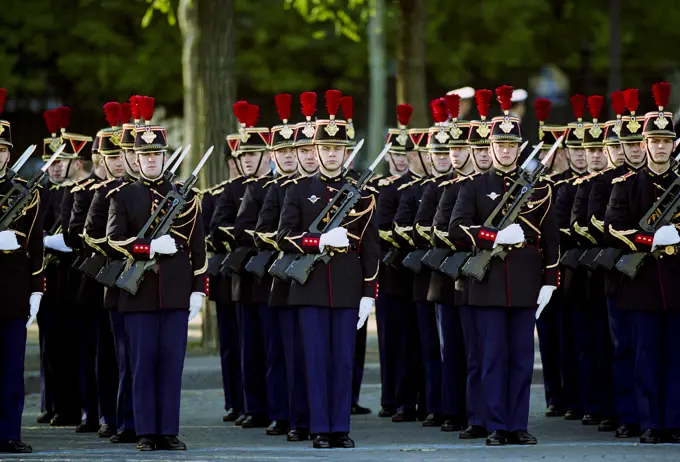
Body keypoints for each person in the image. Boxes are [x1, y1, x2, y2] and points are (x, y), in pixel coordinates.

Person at [449, 85, 560, 446]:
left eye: (513, 146)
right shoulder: (475, 186)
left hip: (526, 281)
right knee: (493, 359)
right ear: (491, 147)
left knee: (522, 361)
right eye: (502, 145)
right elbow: (457, 230)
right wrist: (492, 237)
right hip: (488, 282)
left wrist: (549, 281)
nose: (507, 151)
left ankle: (518, 424)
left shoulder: (538, 187)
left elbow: (550, 237)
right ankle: (497, 423)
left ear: (519, 148)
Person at [277, 89, 380, 449]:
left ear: (346, 152)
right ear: (316, 151)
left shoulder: (363, 194)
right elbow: (284, 237)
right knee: (317, 362)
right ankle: (321, 427)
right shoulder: (299, 190)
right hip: (311, 285)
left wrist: (369, 293)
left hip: (349, 285)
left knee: (342, 362)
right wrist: (317, 241)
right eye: (326, 148)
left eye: (338, 149)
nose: (332, 154)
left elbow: (371, 248)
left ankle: (340, 427)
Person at [107, 96, 208, 451]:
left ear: (165, 157)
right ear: (135, 158)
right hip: (138, 294)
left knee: (170, 366)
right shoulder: (124, 197)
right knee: (143, 365)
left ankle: (168, 429)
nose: (151, 160)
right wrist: (147, 248)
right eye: (145, 155)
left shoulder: (185, 196)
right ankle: (146, 431)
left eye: (157, 155)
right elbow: (114, 241)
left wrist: (199, 289)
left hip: (177, 293)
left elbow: (199, 249)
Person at [604, 82, 680, 444]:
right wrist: (650, 239)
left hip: (678, 282)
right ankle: (650, 422)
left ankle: (675, 421)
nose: (660, 146)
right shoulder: (626, 184)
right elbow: (614, 228)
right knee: (645, 358)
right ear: (644, 144)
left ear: (673, 145)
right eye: (655, 141)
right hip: (643, 284)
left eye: (666, 141)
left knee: (676, 358)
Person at [254, 92, 320, 441]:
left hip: (320, 276)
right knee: (286, 353)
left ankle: (319, 415)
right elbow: (263, 231)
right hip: (285, 277)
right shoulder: (275, 189)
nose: (304, 156)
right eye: (296, 151)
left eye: (310, 150)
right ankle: (289, 415)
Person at [211, 101, 273, 430]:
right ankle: (252, 406)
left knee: (272, 346)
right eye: (243, 156)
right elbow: (219, 227)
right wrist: (250, 236)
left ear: (267, 156)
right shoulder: (234, 189)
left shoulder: (277, 188)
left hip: (271, 277)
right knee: (247, 347)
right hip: (242, 278)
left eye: (253, 155)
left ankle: (275, 406)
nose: (247, 160)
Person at [588, 89, 644, 438]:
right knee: (623, 347)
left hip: (654, 276)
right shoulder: (607, 183)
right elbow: (595, 224)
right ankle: (626, 413)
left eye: (641, 144)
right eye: (630, 144)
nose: (636, 149)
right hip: (619, 272)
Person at [82, 101, 137, 442]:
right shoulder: (100, 193)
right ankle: (109, 415)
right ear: (102, 160)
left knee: (132, 357)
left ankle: (131, 417)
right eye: (114, 157)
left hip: (141, 281)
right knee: (110, 354)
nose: (120, 163)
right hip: (110, 278)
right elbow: (87, 234)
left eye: (124, 156)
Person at [0, 90, 45, 454]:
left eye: (1, 150)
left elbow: (36, 245)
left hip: (13, 292)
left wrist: (36, 289)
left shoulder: (24, 194)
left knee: (12, 371)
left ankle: (9, 433)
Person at [424, 93, 471, 432]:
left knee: (477, 349)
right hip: (446, 275)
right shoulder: (435, 188)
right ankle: (451, 409)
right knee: (450, 348)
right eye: (446, 152)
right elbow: (432, 230)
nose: (452, 157)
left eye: (457, 150)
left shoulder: (478, 185)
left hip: (479, 275)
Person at [569, 95, 615, 430]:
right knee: (590, 344)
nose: (597, 154)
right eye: (592, 150)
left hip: (616, 272)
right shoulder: (583, 186)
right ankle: (593, 403)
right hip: (588, 275)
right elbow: (578, 227)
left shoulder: (618, 181)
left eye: (602, 149)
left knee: (612, 344)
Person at [375, 103, 418, 419]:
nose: (401, 160)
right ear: (388, 156)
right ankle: (393, 397)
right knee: (393, 340)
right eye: (397, 155)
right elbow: (379, 230)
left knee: (415, 340)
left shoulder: (421, 186)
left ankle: (411, 398)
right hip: (392, 272)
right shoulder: (382, 188)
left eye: (407, 155)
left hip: (418, 269)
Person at [37, 108, 71, 426]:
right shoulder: (41, 193)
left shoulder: (75, 193)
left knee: (69, 343)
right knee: (49, 343)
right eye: (54, 162)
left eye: (63, 162)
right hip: (48, 275)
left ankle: (67, 404)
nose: (58, 168)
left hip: (71, 276)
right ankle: (51, 401)